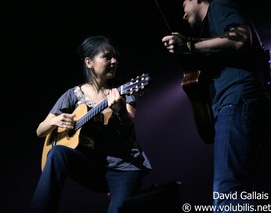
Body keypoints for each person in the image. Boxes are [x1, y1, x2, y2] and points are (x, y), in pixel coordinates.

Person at [161, 0, 271, 212]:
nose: (183, 14)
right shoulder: (211, 29)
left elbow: (241, 38)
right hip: (242, 103)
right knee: (236, 190)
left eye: (184, 4)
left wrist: (191, 44)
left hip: (237, 100)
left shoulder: (218, 5)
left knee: (227, 193)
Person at [28, 35, 152, 213]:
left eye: (115, 57)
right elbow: (40, 130)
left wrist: (120, 110)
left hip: (123, 167)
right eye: (107, 57)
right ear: (89, 62)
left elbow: (128, 125)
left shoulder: (123, 91)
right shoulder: (73, 95)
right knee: (56, 152)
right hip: (93, 165)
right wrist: (55, 120)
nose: (114, 61)